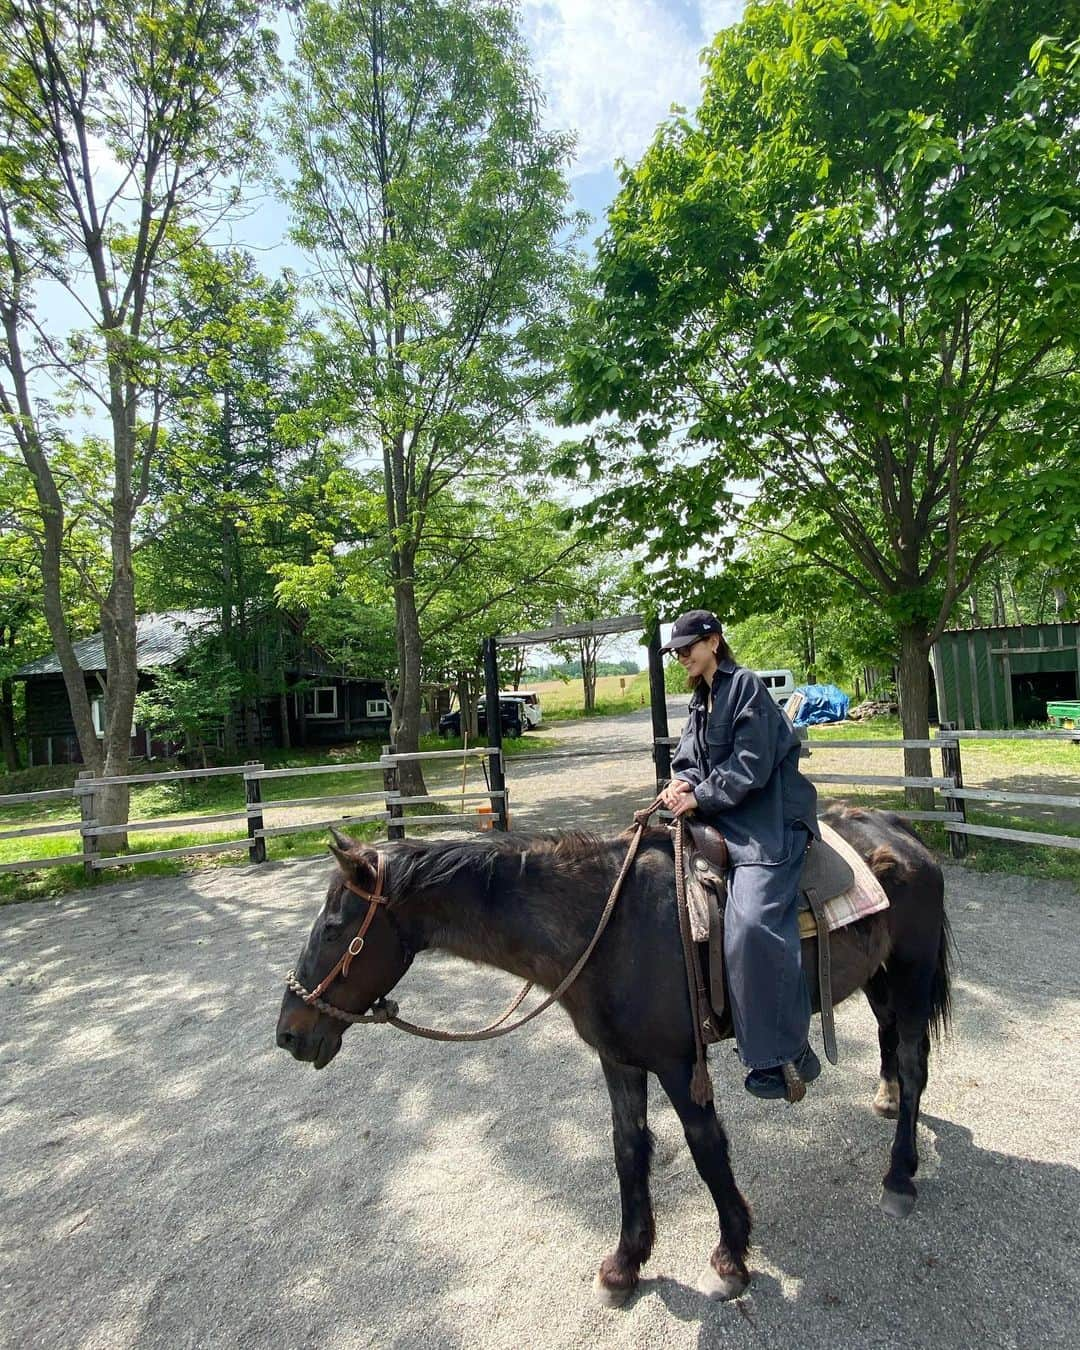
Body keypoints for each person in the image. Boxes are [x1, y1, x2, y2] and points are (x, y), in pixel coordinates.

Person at [658, 609, 821, 1100]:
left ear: (713, 641)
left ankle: (783, 1053)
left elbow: (750, 764)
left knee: (750, 924)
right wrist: (681, 780)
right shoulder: (701, 698)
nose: (681, 657)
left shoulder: (745, 687)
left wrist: (700, 796)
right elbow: (688, 755)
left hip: (767, 820)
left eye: (688, 647)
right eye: (677, 651)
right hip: (728, 815)